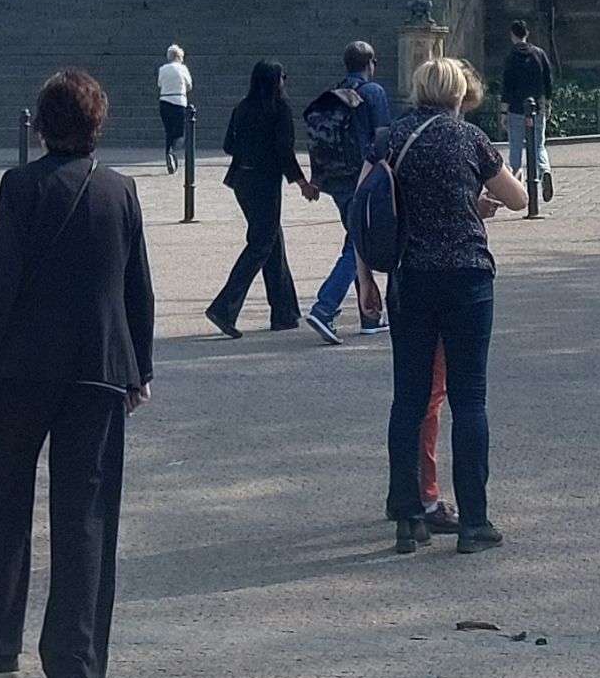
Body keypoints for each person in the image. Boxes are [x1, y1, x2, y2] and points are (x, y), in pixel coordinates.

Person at [0, 66, 154, 678]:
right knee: (86, 514)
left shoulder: (20, 187)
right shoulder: (121, 191)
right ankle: (72, 669)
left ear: (40, 126)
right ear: (98, 125)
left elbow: (1, 281)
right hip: (99, 368)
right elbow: (137, 287)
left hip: (24, 369)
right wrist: (139, 369)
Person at [381, 53, 525, 556]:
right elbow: (518, 198)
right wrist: (479, 199)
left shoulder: (393, 138)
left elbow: (371, 204)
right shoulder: (470, 139)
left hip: (412, 277)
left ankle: (407, 518)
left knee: (409, 399)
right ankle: (474, 522)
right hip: (467, 277)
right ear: (460, 94)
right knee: (470, 401)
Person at [207, 60, 317, 334]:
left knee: (272, 242)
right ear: (275, 81)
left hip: (242, 181)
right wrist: (303, 184)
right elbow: (284, 151)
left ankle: (284, 312)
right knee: (261, 245)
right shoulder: (279, 109)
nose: (284, 82)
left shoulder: (242, 107)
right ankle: (224, 308)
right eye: (283, 77)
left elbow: (228, 145)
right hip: (265, 183)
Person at [303, 38, 392, 338]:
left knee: (357, 241)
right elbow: (383, 138)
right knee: (357, 247)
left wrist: (317, 179)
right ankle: (324, 307)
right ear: (370, 64)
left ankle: (370, 316)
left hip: (337, 182)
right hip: (363, 180)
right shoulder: (373, 92)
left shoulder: (334, 96)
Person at [500, 18, 554, 204]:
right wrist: (547, 103)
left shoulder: (511, 57)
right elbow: (548, 80)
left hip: (516, 108)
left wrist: (503, 112)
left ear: (512, 35)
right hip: (536, 107)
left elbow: (506, 86)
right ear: (527, 33)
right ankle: (544, 170)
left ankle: (516, 181)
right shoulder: (539, 54)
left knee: (515, 147)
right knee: (538, 145)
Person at [156, 44, 192, 174]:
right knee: (180, 133)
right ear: (180, 56)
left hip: (164, 101)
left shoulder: (162, 69)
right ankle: (173, 152)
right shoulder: (183, 69)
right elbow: (189, 85)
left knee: (169, 132)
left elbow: (160, 84)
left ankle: (169, 154)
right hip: (179, 102)